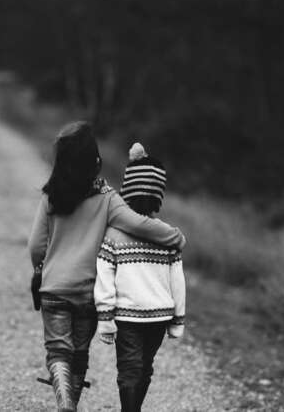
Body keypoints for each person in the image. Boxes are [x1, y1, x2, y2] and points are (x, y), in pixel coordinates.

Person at [27, 122, 186, 412]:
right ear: (96, 162)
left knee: (58, 351)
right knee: (79, 354)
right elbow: (140, 224)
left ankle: (65, 401)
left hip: (54, 289)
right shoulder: (108, 199)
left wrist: (40, 268)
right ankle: (71, 402)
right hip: (87, 292)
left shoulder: (51, 196)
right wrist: (175, 237)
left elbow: (36, 246)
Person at [94, 142, 186, 412]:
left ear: (127, 192)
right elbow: (178, 282)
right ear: (158, 196)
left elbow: (104, 275)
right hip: (148, 317)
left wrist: (105, 316)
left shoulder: (114, 234)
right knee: (141, 368)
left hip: (136, 317)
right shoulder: (167, 236)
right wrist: (177, 319)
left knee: (134, 369)